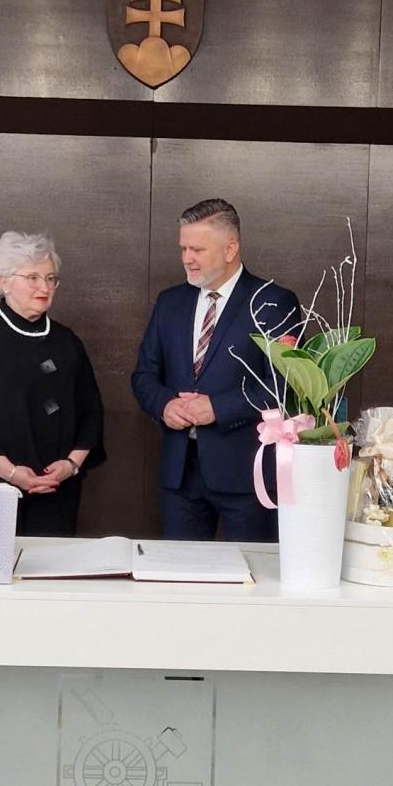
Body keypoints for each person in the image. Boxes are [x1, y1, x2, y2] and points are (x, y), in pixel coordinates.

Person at [132, 199, 300, 542]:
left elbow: (283, 387)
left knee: (253, 572)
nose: (186, 258)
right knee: (181, 573)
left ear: (230, 249)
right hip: (180, 475)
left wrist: (217, 408)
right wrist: (164, 405)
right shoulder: (169, 302)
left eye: (197, 249)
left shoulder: (273, 302)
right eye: (183, 248)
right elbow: (144, 376)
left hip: (246, 475)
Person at [0, 231, 105, 536]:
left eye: (50, 278)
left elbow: (92, 409)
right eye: (32, 278)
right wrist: (10, 472)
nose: (44, 288)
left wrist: (71, 465)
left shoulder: (66, 340)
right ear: (4, 281)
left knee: (52, 564)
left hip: (59, 487)